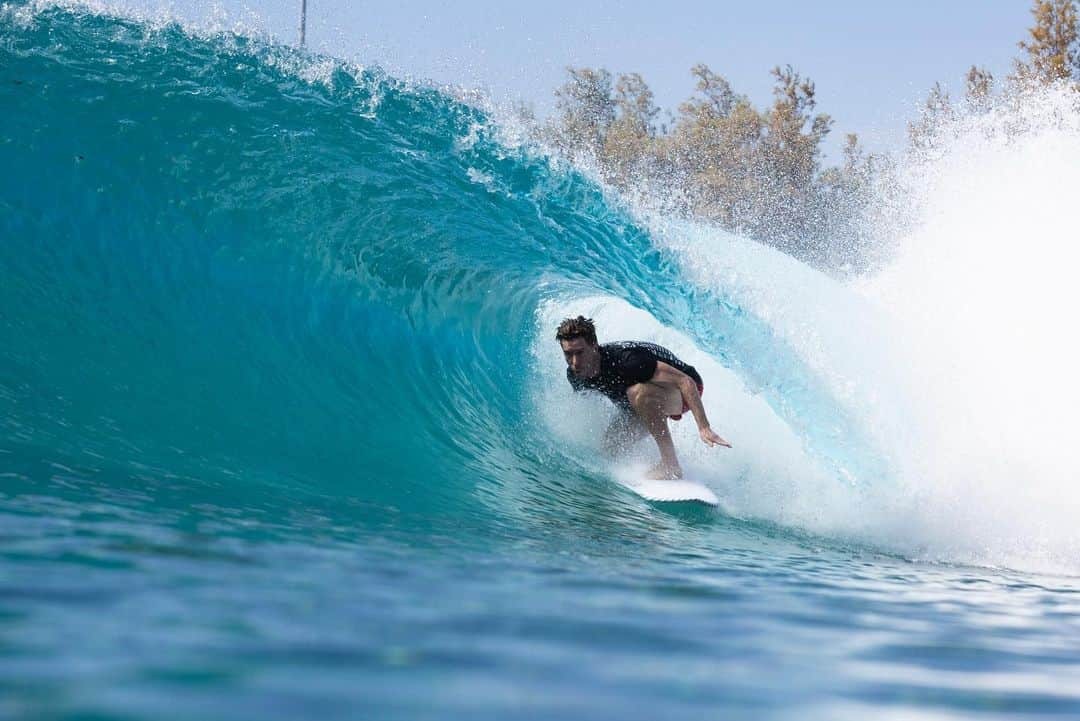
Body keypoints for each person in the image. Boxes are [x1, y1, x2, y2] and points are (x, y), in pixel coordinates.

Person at [556, 315, 731, 480]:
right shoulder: (575, 375)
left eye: (579, 353)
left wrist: (704, 427)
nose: (574, 362)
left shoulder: (628, 361)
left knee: (637, 393)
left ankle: (670, 465)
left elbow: (686, 382)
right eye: (568, 354)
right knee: (609, 447)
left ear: (594, 345)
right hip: (642, 400)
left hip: (685, 390)